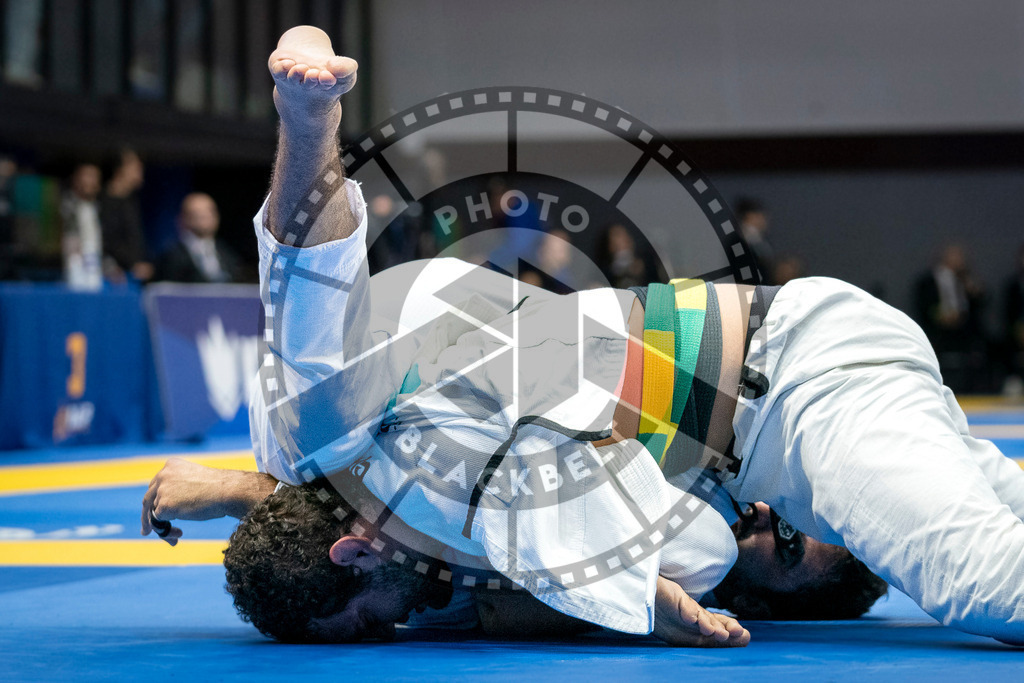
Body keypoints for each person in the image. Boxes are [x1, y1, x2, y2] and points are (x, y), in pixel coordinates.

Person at [143, 26, 1023, 647]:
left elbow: (310, 301)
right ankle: (308, 137)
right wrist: (238, 492)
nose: (400, 626)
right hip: (784, 382)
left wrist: (244, 489)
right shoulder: (395, 485)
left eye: (375, 620)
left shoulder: (351, 455)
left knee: (988, 585)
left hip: (793, 380)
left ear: (353, 549)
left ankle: (308, 135)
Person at [154, 192, 242, 283]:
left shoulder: (228, 254)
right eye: (197, 214)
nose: (205, 217)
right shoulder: (171, 257)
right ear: (183, 218)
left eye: (209, 212)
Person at [100, 150, 153, 282]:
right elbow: (107, 242)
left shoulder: (130, 201)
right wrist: (129, 264)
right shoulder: (102, 203)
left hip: (134, 276)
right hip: (113, 278)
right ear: (119, 170)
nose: (140, 174)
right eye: (136, 168)